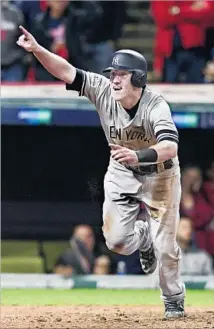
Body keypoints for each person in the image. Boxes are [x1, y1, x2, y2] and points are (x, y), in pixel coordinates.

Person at [17, 25, 185, 319]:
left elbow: (170, 147)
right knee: (117, 242)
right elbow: (66, 71)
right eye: (113, 73)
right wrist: (36, 50)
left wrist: (137, 154)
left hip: (160, 173)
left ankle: (173, 299)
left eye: (121, 74)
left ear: (139, 78)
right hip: (122, 170)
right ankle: (142, 238)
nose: (114, 79)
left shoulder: (156, 106)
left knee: (167, 246)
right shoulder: (103, 90)